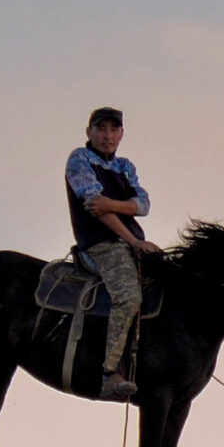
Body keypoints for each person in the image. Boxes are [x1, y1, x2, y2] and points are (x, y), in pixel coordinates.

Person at [65, 107, 162, 400]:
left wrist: (113, 204)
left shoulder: (125, 166)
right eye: (101, 129)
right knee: (128, 296)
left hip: (131, 242)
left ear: (121, 134)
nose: (107, 136)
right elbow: (95, 207)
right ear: (89, 132)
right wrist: (132, 239)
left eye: (113, 130)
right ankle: (109, 373)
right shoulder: (79, 159)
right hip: (102, 243)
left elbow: (143, 204)